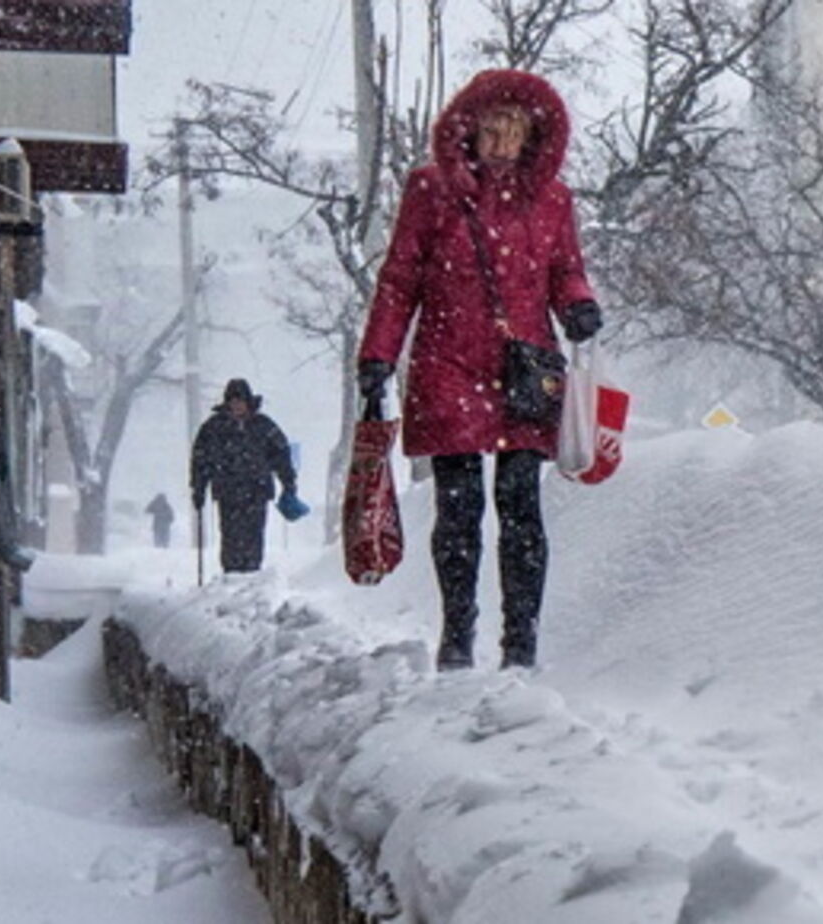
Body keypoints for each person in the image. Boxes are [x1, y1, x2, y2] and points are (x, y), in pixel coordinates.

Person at [357, 69, 602, 671]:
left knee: (521, 504)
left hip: (525, 367)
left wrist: (578, 305)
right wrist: (378, 355)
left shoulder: (553, 200)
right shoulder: (430, 191)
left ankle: (521, 643)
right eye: (490, 129)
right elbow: (400, 280)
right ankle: (457, 635)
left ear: (532, 136)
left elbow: (563, 270)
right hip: (448, 364)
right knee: (459, 506)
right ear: (468, 131)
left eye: (513, 131)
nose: (500, 143)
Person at [190, 379, 300, 573]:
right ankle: (231, 573)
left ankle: (252, 571)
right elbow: (201, 459)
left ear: (248, 401)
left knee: (254, 533)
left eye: (240, 400)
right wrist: (198, 487)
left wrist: (288, 483)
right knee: (230, 534)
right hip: (227, 490)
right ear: (227, 402)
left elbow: (281, 455)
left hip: (256, 490)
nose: (237, 405)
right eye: (233, 401)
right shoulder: (214, 427)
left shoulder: (263, 426)